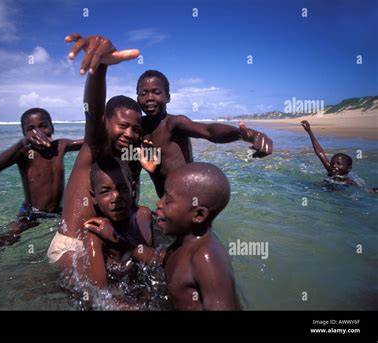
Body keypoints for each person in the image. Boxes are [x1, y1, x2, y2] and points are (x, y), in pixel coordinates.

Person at [47, 34, 145, 270]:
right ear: (106, 123)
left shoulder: (128, 157)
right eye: (122, 126)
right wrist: (100, 68)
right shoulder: (96, 147)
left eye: (136, 129)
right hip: (72, 248)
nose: (130, 134)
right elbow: (92, 112)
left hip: (103, 244)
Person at [87, 162, 239, 310]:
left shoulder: (206, 258)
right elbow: (156, 258)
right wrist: (119, 240)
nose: (158, 204)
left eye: (168, 201)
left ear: (198, 214)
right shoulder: (183, 245)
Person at [136, 70, 273, 197]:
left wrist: (245, 135)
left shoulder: (174, 123)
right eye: (143, 93)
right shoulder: (138, 127)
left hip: (187, 203)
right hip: (165, 205)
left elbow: (209, 131)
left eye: (156, 92)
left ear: (168, 97)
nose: (149, 98)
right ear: (137, 98)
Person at [0, 108, 83, 269]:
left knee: (78, 230)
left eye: (43, 126)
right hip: (31, 212)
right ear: (24, 134)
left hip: (56, 210)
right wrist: (22, 143)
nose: (38, 132)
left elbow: (88, 142)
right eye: (31, 129)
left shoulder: (60, 146)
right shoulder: (24, 152)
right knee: (8, 239)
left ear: (52, 127)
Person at [82, 157, 153, 291]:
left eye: (122, 189)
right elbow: (100, 295)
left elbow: (153, 264)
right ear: (93, 198)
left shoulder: (144, 216)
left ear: (132, 189)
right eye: (105, 192)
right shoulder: (95, 236)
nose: (116, 197)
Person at [301, 120, 357, 185]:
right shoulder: (331, 169)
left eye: (339, 163)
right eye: (332, 163)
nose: (334, 165)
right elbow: (320, 152)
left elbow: (362, 190)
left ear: (349, 168)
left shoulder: (349, 182)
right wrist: (309, 131)